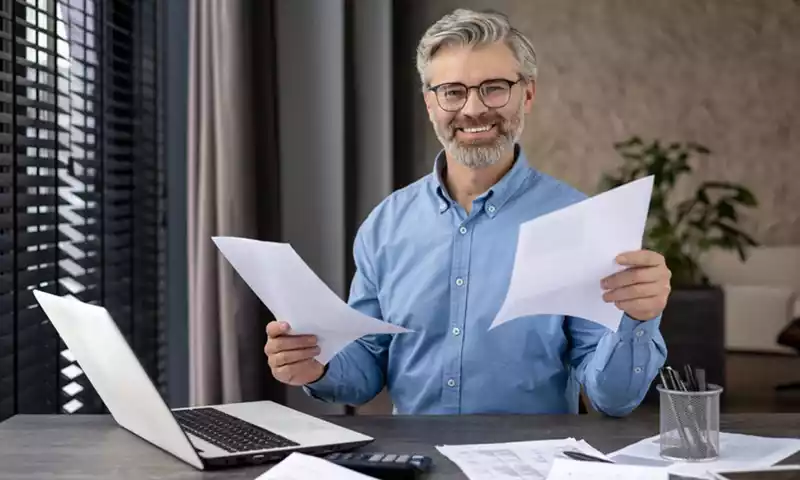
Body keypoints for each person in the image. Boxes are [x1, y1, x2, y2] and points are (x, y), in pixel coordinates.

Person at [264, 8, 669, 416]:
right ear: (430, 103)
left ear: (527, 94)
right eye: (453, 91)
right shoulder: (385, 225)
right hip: (417, 465)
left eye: (494, 88)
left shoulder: (580, 222)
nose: (473, 110)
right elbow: (366, 369)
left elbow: (612, 399)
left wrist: (639, 320)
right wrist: (317, 367)